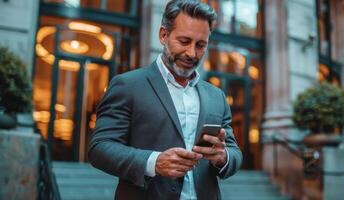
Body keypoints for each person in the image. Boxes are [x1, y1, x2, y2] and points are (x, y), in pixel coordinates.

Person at [88, 0, 242, 199]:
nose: (191, 53)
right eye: (184, 41)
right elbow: (100, 149)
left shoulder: (217, 96)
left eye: (200, 45)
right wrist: (154, 162)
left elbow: (235, 152)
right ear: (163, 35)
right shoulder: (127, 85)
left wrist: (223, 157)